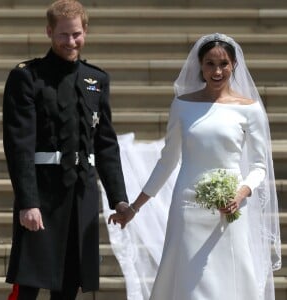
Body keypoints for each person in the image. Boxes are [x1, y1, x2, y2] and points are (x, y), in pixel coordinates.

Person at [109, 33, 281, 300]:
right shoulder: (182, 105)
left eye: (223, 63)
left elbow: (259, 165)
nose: (217, 70)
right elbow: (167, 161)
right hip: (188, 206)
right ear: (200, 65)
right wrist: (134, 207)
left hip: (231, 206)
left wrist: (240, 193)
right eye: (210, 63)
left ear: (233, 65)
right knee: (190, 282)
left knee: (230, 276)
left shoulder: (250, 109)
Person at [3, 1, 129, 299]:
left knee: (69, 286)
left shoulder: (97, 80)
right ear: (49, 32)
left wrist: (119, 199)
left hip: (81, 194)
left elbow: (106, 144)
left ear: (85, 31)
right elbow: (19, 145)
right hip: (42, 195)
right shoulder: (27, 77)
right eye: (63, 35)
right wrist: (27, 202)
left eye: (76, 34)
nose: (70, 42)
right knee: (29, 286)